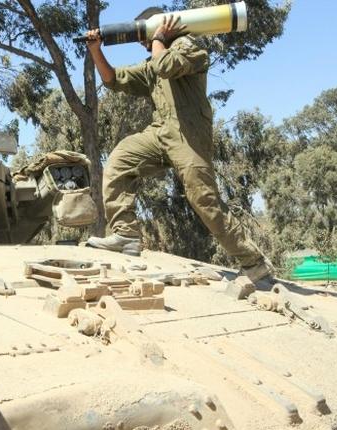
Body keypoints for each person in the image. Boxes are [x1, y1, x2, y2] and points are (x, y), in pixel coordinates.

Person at [84, 7, 272, 284]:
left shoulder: (190, 47)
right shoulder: (153, 60)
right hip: (161, 133)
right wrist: (96, 50)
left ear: (162, 26)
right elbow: (113, 79)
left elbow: (166, 66)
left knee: (204, 200)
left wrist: (159, 38)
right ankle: (126, 235)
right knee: (121, 159)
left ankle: (253, 263)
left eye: (144, 33)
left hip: (189, 136)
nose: (142, 40)